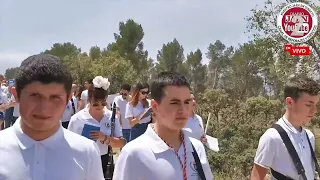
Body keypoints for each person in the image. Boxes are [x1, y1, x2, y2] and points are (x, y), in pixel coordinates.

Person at [0, 54, 104, 180]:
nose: (44, 108)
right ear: (16, 96)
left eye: (55, 98)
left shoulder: (86, 152)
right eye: (35, 96)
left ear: (68, 99)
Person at [113, 72, 214, 180]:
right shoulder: (133, 154)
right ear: (155, 107)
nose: (183, 110)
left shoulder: (196, 148)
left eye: (187, 102)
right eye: (175, 103)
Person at [250, 76, 320, 180]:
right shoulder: (272, 137)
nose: (314, 110)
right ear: (290, 102)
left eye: (316, 104)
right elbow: (256, 177)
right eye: (308, 105)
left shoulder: (309, 136)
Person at [68, 75, 124, 178]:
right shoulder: (77, 119)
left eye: (103, 103)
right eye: (95, 104)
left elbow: (121, 143)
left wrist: (104, 138)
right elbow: (67, 146)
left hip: (105, 161)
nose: (99, 107)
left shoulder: (111, 116)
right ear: (89, 100)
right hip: (82, 161)